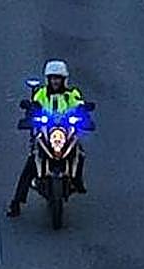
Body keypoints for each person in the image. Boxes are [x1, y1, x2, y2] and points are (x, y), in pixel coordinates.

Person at [7, 60, 87, 218]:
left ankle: (77, 180)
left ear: (64, 79)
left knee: (80, 153)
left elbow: (79, 103)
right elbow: (35, 104)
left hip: (65, 132)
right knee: (31, 163)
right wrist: (30, 108)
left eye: (58, 78)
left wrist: (82, 110)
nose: (55, 81)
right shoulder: (41, 93)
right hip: (46, 133)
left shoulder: (71, 94)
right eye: (52, 78)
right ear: (48, 79)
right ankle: (16, 202)